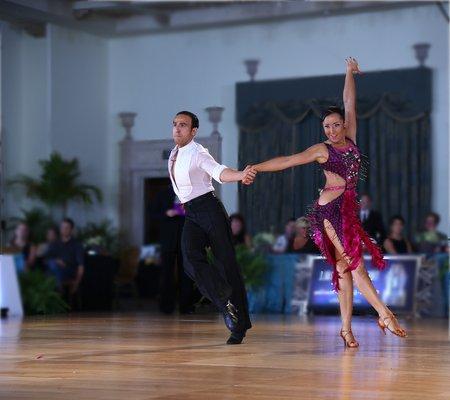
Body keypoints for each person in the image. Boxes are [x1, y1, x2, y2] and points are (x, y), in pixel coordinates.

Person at [248, 58, 406, 347]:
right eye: (327, 127)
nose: (331, 130)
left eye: (335, 125)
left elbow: (349, 102)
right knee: (355, 264)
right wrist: (256, 167)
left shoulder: (352, 139)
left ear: (344, 126)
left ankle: (346, 329)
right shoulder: (323, 150)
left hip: (348, 212)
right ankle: (384, 313)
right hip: (330, 212)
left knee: (344, 269)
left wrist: (348, 73)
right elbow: (288, 161)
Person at [169, 111, 255, 344]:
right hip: (192, 213)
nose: (177, 129)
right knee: (189, 260)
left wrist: (240, 175)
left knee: (226, 266)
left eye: (183, 125)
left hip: (210, 210)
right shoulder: (174, 153)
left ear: (193, 131)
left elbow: (218, 172)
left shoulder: (198, 152)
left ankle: (239, 326)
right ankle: (224, 300)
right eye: (175, 124)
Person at [150, 184, 196, 314]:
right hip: (167, 239)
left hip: (186, 238)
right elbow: (153, 214)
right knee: (166, 274)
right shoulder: (163, 193)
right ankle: (166, 307)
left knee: (186, 273)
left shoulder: (191, 191)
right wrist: (167, 213)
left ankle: (186, 307)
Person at [45, 218, 84, 301]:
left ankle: (58, 293)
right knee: (52, 264)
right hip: (55, 270)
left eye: (67, 228)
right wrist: (57, 261)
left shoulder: (77, 245)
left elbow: (81, 266)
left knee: (51, 273)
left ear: (71, 230)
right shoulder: (55, 243)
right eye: (62, 227)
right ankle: (59, 289)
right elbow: (46, 259)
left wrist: (77, 282)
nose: (64, 230)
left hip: (69, 270)